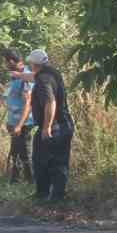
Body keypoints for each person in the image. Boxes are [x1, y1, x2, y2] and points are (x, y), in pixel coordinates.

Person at [27, 49, 74, 202]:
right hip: (65, 125)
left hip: (54, 127)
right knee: (60, 162)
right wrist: (18, 75)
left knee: (42, 161)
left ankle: (43, 195)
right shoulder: (53, 73)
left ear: (34, 64)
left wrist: (46, 127)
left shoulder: (43, 80)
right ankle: (58, 197)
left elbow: (50, 102)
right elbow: (32, 77)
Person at [0, 46, 36, 184]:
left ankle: (31, 183)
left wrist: (19, 125)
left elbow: (28, 104)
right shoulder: (15, 76)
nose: (5, 65)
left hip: (23, 124)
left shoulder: (25, 77)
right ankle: (15, 182)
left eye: (5, 62)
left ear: (11, 61)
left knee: (26, 154)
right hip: (14, 122)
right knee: (15, 154)